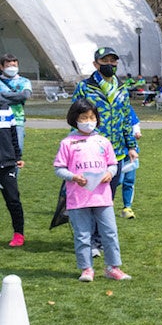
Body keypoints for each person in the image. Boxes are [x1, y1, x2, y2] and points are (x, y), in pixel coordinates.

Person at [53, 100, 131, 282]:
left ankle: (113, 267)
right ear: (75, 119)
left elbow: (113, 164)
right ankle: (86, 268)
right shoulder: (67, 143)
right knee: (82, 235)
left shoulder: (103, 141)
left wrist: (109, 173)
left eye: (91, 117)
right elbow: (59, 168)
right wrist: (73, 177)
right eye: (83, 118)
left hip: (102, 197)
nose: (88, 121)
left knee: (109, 232)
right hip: (78, 198)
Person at [72, 48, 140, 219]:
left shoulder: (122, 89)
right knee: (90, 195)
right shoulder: (85, 87)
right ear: (96, 64)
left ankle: (100, 231)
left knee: (108, 195)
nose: (110, 64)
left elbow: (126, 119)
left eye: (113, 61)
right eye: (105, 61)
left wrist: (131, 146)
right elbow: (74, 116)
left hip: (115, 153)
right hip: (91, 151)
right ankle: (87, 228)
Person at [0, 104, 24, 247]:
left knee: (13, 200)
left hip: (7, 163)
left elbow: (13, 136)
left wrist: (17, 157)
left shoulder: (6, 109)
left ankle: (19, 234)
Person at [0, 53, 31, 154]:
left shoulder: (24, 81)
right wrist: (17, 97)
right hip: (1, 120)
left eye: (14, 66)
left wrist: (4, 95)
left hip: (18, 119)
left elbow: (25, 95)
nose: (12, 68)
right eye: (9, 66)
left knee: (17, 151)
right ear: (1, 67)